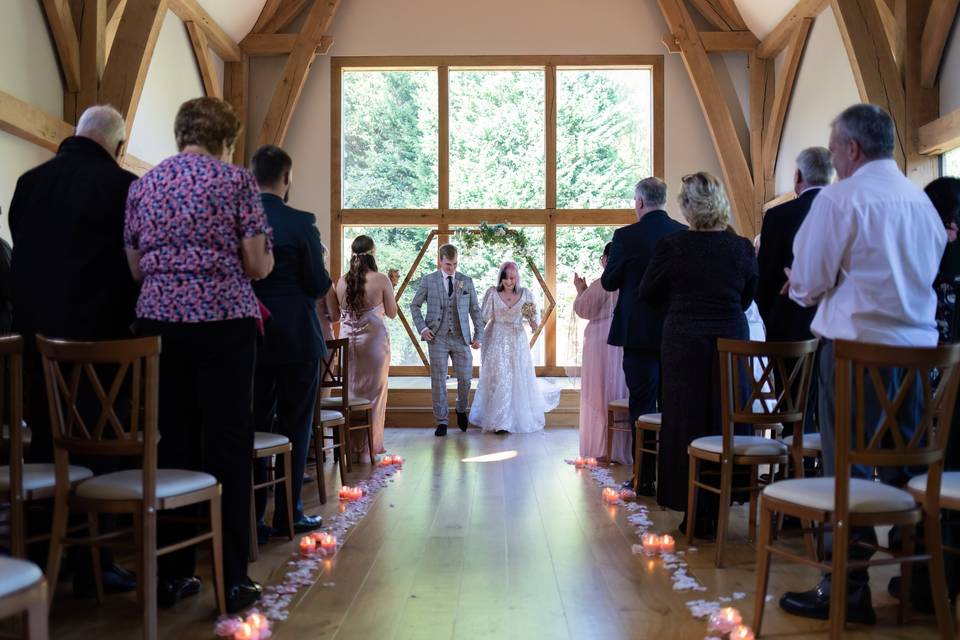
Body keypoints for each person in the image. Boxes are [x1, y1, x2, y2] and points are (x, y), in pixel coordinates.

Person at [780, 104, 945, 624]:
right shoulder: (921, 203)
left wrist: (810, 284)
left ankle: (846, 589)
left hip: (851, 359)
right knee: (906, 466)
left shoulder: (838, 199)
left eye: (833, 150)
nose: (833, 159)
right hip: (918, 359)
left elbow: (806, 284)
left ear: (852, 149)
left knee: (841, 470)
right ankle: (917, 580)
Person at [124, 97, 274, 612]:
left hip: (159, 324)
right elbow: (255, 264)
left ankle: (173, 574)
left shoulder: (144, 185)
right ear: (226, 140)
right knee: (228, 444)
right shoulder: (236, 182)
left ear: (181, 133)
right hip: (223, 322)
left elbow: (137, 267)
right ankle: (232, 579)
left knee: (173, 443)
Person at [8, 105, 139, 597]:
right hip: (100, 344)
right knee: (99, 451)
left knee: (46, 445)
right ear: (118, 147)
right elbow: (131, 267)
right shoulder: (123, 188)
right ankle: (95, 562)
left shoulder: (28, 183)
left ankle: (45, 556)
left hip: (34, 342)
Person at [639, 172, 757, 538]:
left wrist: (678, 305)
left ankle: (693, 506)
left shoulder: (673, 246)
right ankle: (724, 499)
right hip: (730, 338)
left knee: (685, 419)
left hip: (683, 338)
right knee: (726, 418)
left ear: (686, 207)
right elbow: (749, 294)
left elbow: (648, 293)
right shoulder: (740, 248)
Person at [249, 144, 331, 541]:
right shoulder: (300, 223)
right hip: (297, 337)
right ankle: (289, 512)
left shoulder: (238, 219)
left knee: (254, 424)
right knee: (296, 425)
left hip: (252, 334)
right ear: (286, 178)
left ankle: (253, 516)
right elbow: (318, 283)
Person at [601, 177, 686, 493]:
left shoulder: (626, 236)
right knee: (673, 403)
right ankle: (673, 475)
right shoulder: (682, 234)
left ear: (638, 202)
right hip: (675, 332)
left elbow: (610, 282)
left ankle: (645, 476)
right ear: (664, 200)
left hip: (637, 333)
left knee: (642, 404)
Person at [326, 235, 398, 457]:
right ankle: (370, 448)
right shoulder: (381, 279)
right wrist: (391, 289)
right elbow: (393, 313)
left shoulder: (341, 281)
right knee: (374, 396)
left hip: (348, 345)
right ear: (372, 254)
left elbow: (336, 316)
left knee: (351, 392)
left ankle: (351, 447)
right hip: (374, 346)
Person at [470, 261, 560, 433]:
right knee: (499, 377)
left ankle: (514, 418)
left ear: (516, 277)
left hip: (517, 340)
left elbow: (532, 318)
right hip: (495, 338)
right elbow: (484, 318)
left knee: (517, 377)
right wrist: (477, 338)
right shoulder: (492, 293)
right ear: (501, 279)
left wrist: (534, 324)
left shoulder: (525, 294)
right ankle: (499, 421)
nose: (509, 282)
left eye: (512, 278)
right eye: (505, 279)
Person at [409, 244, 483, 436]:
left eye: (455, 264)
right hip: (437, 338)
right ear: (440, 260)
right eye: (448, 264)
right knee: (439, 380)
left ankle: (460, 408)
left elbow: (475, 310)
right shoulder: (429, 280)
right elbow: (414, 305)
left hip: (461, 338)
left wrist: (478, 336)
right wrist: (423, 328)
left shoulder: (466, 281)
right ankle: (441, 421)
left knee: (466, 379)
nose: (452, 268)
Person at [573, 243, 630, 462]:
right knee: (618, 388)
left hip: (600, 342)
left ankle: (600, 446)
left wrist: (581, 290)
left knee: (598, 391)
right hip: (623, 340)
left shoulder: (603, 284)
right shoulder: (628, 283)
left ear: (606, 260)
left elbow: (583, 309)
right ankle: (621, 447)